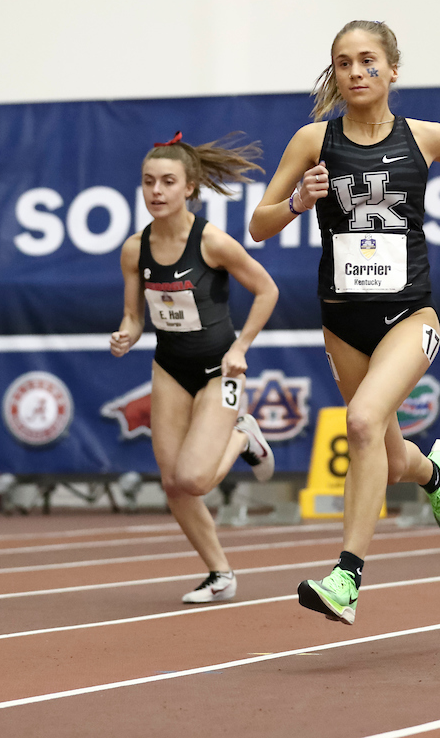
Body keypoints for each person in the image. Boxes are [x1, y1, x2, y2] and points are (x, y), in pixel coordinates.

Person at [249, 20, 440, 625]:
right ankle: (434, 472)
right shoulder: (312, 141)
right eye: (343, 63)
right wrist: (298, 204)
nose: (356, 73)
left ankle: (346, 578)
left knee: (361, 422)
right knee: (385, 449)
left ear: (392, 70)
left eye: (367, 61)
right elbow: (258, 225)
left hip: (410, 313)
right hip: (341, 321)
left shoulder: (427, 136)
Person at [111, 131, 278, 603]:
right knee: (173, 484)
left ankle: (243, 434)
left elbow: (267, 291)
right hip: (169, 368)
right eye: (148, 182)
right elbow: (134, 315)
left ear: (189, 187)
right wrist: (127, 333)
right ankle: (219, 573)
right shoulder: (133, 249)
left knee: (195, 479)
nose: (156, 192)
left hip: (217, 371)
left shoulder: (213, 243)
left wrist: (241, 346)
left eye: (167, 182)